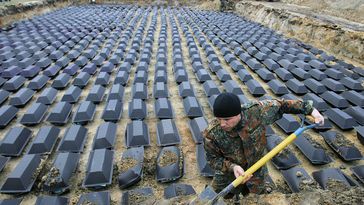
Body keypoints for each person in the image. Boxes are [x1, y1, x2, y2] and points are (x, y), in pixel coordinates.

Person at [203, 92, 324, 199]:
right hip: (228, 174)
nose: (222, 124)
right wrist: (232, 167)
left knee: (257, 198)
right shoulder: (212, 133)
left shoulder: (256, 112)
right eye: (219, 119)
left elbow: (282, 105)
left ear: (238, 114)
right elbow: (213, 160)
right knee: (214, 198)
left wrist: (311, 110)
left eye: (227, 119)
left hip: (257, 169)